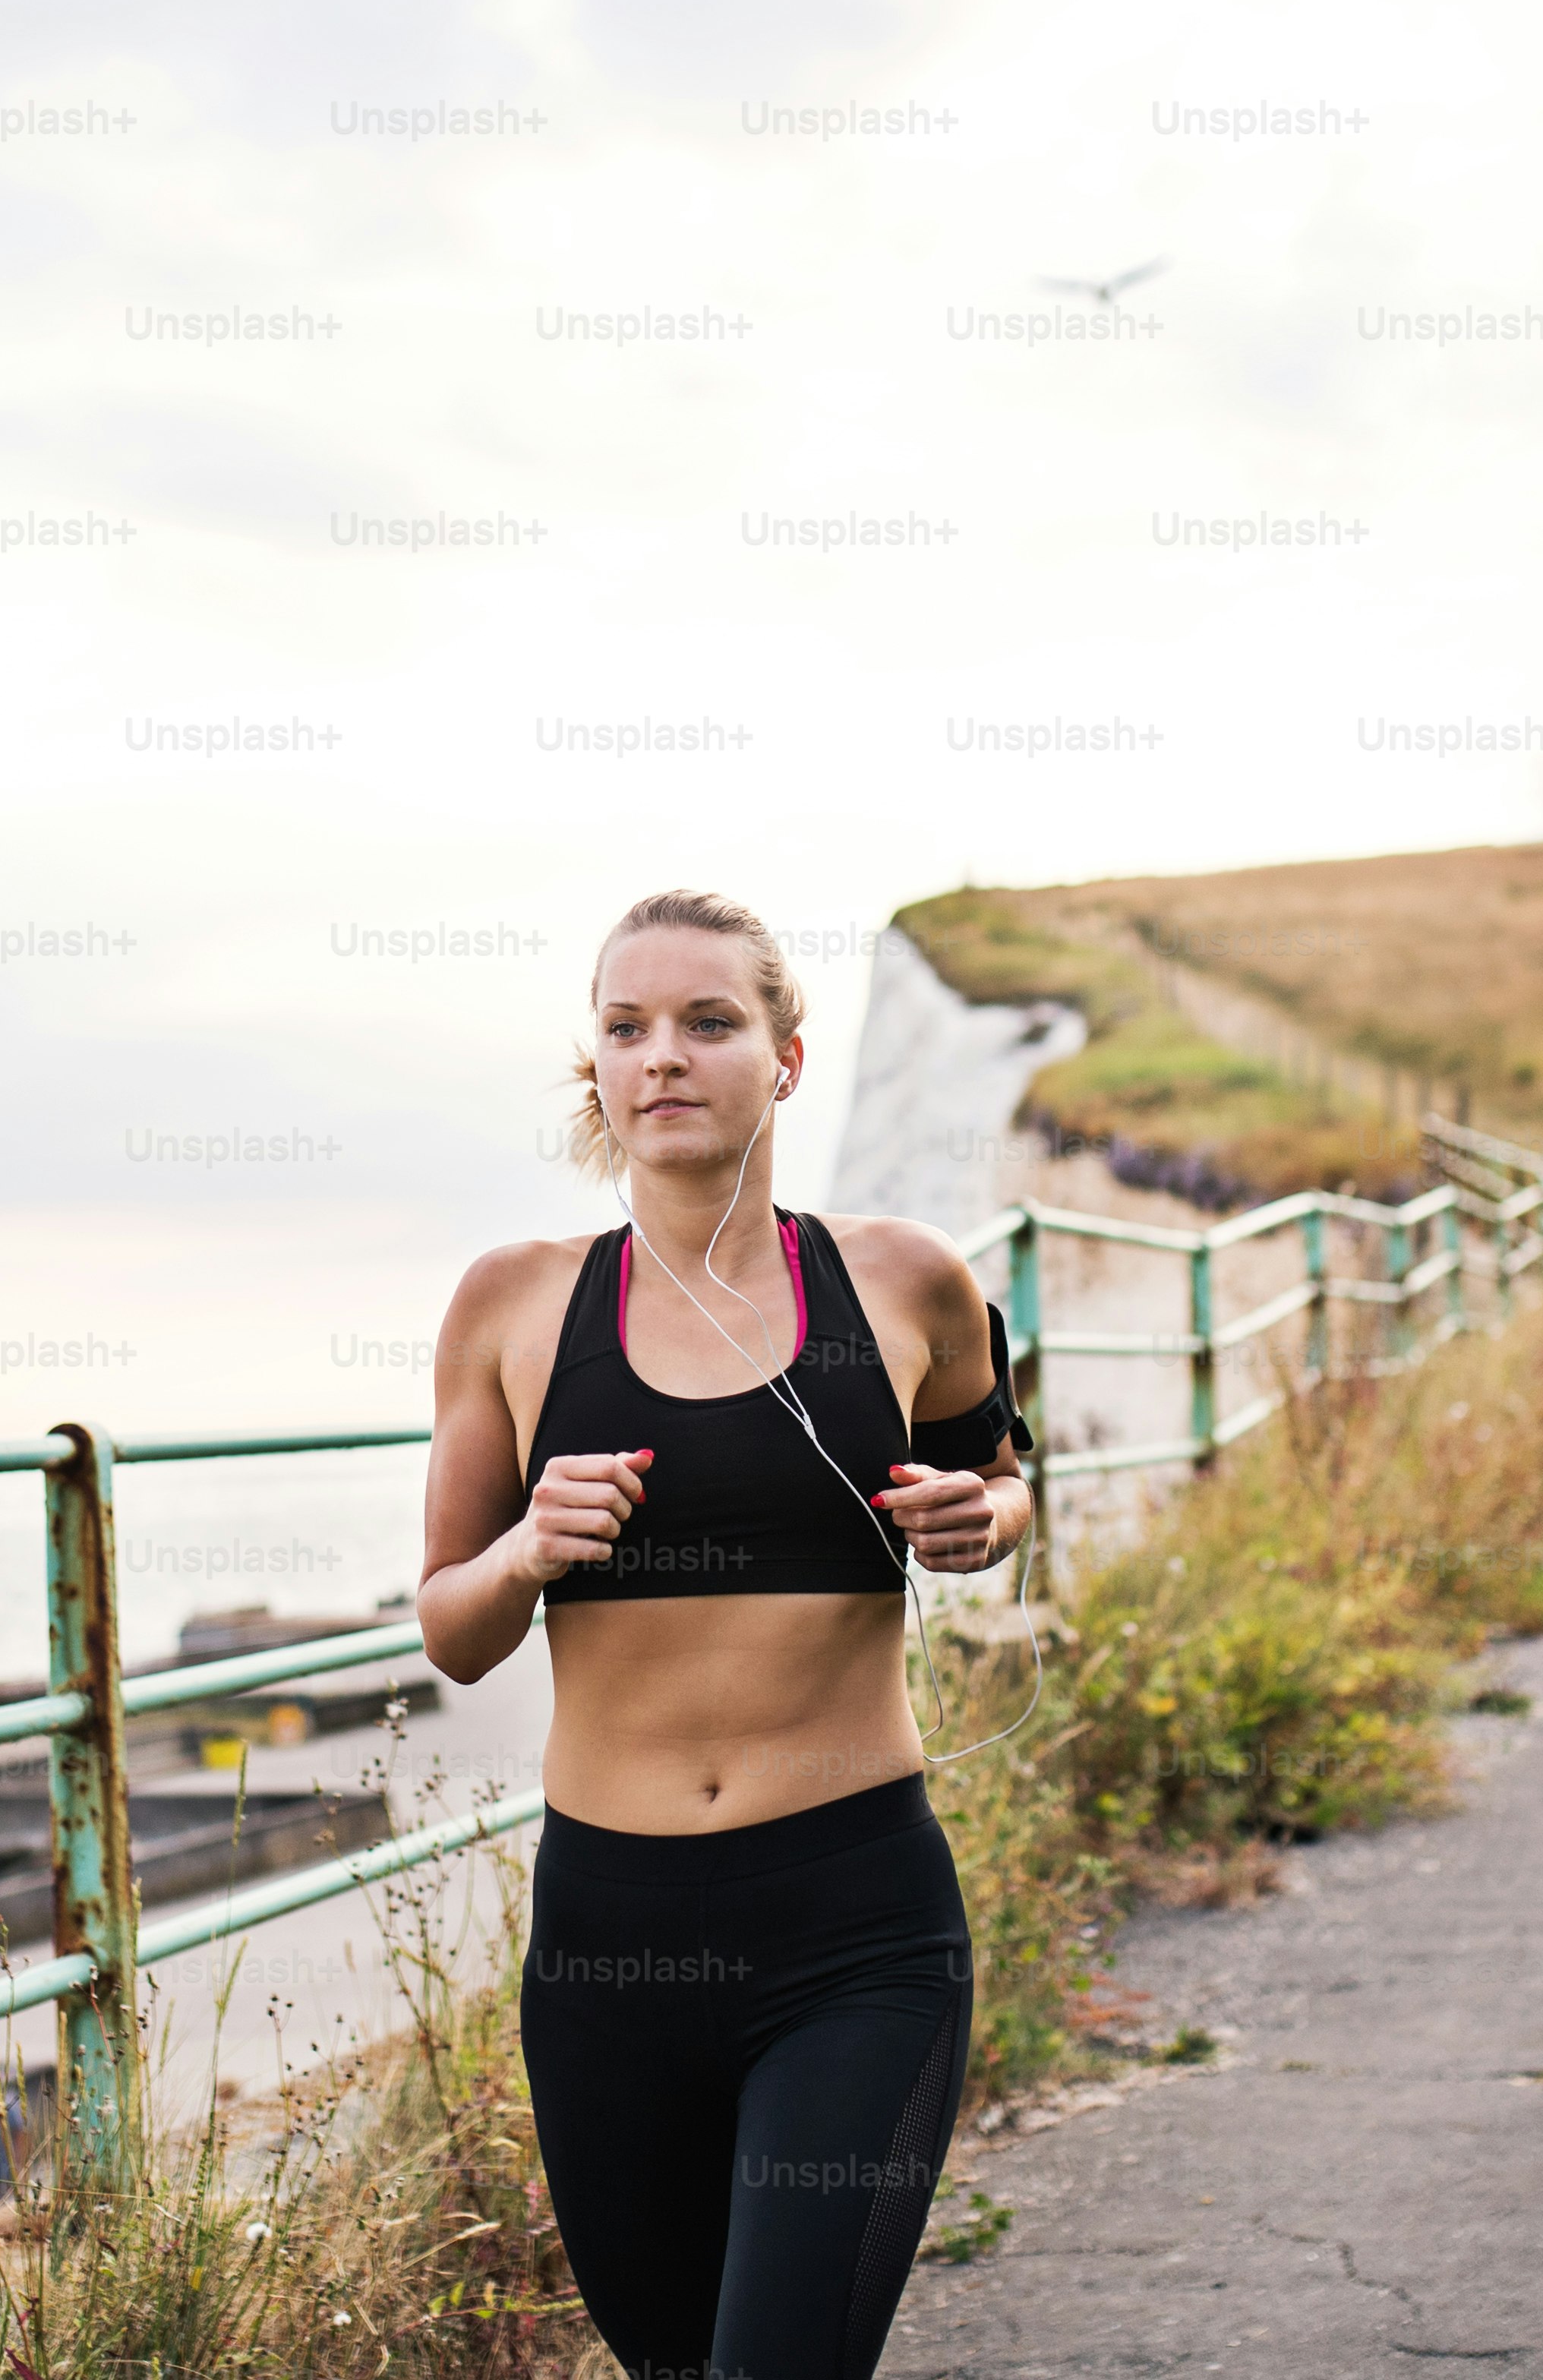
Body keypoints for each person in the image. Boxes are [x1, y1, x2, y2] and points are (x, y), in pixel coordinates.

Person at [418, 888, 1036, 2380]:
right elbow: (451, 1626)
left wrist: (982, 1521)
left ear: (789, 1058)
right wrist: (528, 1549)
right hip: (608, 1951)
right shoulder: (513, 1304)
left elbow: (1008, 1478)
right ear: (598, 1067)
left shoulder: (904, 1281)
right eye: (626, 1027)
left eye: (709, 1021)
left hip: (853, 1927)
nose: (663, 1057)